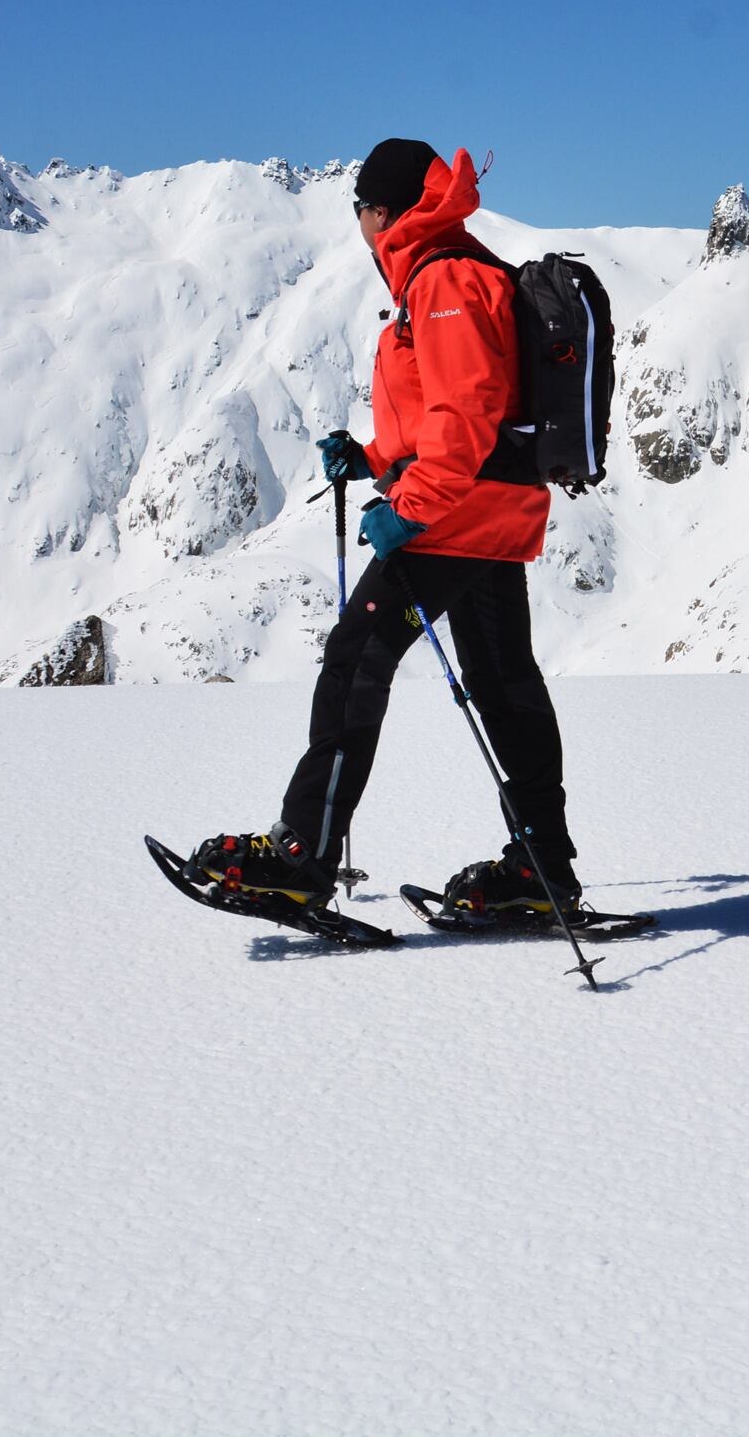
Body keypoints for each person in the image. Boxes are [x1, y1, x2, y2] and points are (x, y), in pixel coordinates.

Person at [187, 138, 585, 918]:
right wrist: (373, 457)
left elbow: (465, 419)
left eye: (364, 207)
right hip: (488, 513)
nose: (361, 223)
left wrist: (407, 507)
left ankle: (300, 852)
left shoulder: (442, 281)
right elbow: (452, 414)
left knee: (354, 660)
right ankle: (542, 868)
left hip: (453, 518)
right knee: (504, 689)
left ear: (388, 211)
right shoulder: (449, 272)